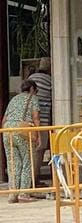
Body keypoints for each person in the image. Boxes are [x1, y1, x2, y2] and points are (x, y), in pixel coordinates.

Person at [2, 80, 40, 203]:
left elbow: (4, 119)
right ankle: (24, 193)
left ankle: (13, 194)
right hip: (22, 131)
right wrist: (38, 135)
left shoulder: (13, 100)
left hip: (7, 131)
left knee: (13, 163)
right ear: (32, 89)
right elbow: (35, 117)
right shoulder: (33, 98)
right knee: (27, 161)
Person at [27, 58, 52, 187]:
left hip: (28, 123)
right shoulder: (51, 81)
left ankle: (29, 180)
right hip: (42, 121)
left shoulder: (31, 78)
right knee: (39, 150)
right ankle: (34, 180)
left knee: (31, 152)